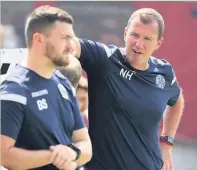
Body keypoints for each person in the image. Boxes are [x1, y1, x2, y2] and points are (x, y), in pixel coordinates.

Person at [74, 8, 184, 170]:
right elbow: (70, 44)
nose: (139, 44)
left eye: (147, 38)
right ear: (125, 33)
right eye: (134, 35)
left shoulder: (164, 72)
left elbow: (177, 99)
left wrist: (167, 142)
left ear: (158, 43)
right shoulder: (105, 59)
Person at [0, 6, 92, 170]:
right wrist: (55, 156)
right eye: (64, 38)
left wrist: (73, 154)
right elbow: (4, 155)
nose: (71, 46)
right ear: (38, 39)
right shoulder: (14, 90)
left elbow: (85, 145)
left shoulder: (63, 83)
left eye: (71, 39)